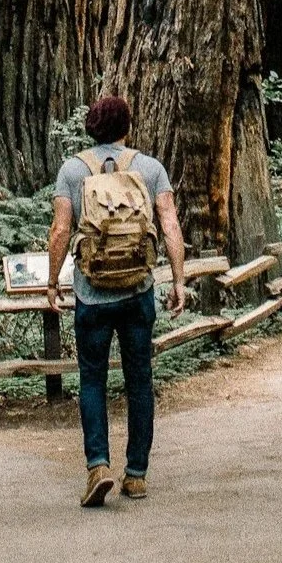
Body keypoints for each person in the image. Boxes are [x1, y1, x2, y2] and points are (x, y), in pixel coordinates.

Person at [47, 94, 188, 506]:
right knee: (139, 379)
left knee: (92, 379)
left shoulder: (73, 170)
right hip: (138, 291)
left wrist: (53, 282)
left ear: (90, 126)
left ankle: (97, 466)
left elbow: (60, 231)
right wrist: (178, 279)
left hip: (92, 295)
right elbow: (170, 223)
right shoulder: (149, 168)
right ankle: (137, 475)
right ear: (128, 126)